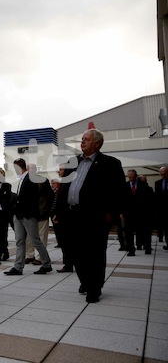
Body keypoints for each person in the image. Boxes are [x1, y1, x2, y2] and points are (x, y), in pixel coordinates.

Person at [56, 128, 125, 303]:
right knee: (75, 251)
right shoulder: (73, 162)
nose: (82, 142)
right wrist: (57, 211)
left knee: (94, 253)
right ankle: (85, 280)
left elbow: (118, 192)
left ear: (97, 143)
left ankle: (94, 287)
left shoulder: (110, 164)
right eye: (82, 139)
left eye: (86, 139)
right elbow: (63, 189)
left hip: (95, 217)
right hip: (72, 215)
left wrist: (110, 215)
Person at [4, 158, 52, 276]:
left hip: (28, 215)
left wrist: (18, 205)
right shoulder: (22, 179)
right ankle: (18, 267)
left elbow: (32, 199)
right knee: (20, 241)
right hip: (19, 214)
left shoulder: (31, 178)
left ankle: (46, 264)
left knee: (35, 240)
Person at [24, 163, 54, 266]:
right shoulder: (25, 181)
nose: (31, 170)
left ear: (36, 170)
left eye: (33, 168)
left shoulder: (43, 180)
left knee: (42, 236)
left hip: (42, 212)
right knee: (29, 236)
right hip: (29, 214)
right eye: (29, 169)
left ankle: (40, 257)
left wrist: (47, 208)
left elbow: (50, 195)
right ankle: (29, 255)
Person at [122, 169, 153, 255]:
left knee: (145, 231)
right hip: (129, 214)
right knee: (129, 232)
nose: (131, 179)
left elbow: (148, 200)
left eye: (133, 177)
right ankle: (131, 249)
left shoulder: (143, 185)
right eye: (129, 177)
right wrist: (122, 213)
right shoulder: (125, 186)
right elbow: (122, 200)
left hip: (142, 213)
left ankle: (147, 248)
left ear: (136, 176)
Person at [51, 166, 74, 273]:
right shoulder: (62, 183)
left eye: (61, 169)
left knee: (68, 242)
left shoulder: (67, 183)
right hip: (60, 215)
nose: (58, 171)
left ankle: (69, 264)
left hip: (67, 216)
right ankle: (68, 264)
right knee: (64, 242)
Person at [154, 166, 168, 250]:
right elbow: (157, 197)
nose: (163, 176)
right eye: (161, 174)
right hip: (162, 210)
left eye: (165, 174)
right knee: (166, 228)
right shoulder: (158, 183)